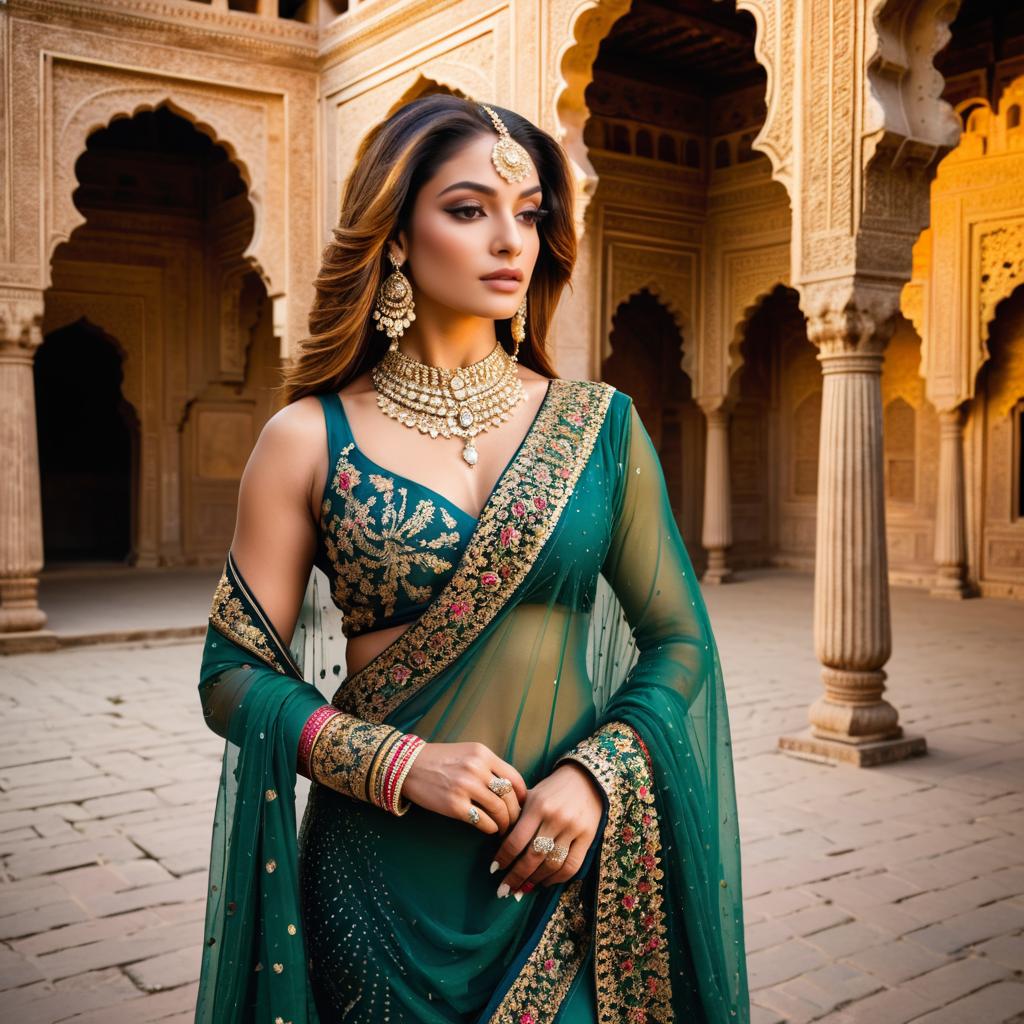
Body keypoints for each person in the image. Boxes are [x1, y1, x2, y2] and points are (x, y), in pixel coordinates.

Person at [194, 94, 749, 1024]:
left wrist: (594, 775)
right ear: (398, 237)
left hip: (570, 870)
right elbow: (231, 677)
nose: (510, 241)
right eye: (468, 209)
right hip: (379, 878)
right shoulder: (307, 437)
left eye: (528, 213)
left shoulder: (599, 427)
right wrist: (396, 762)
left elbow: (679, 642)